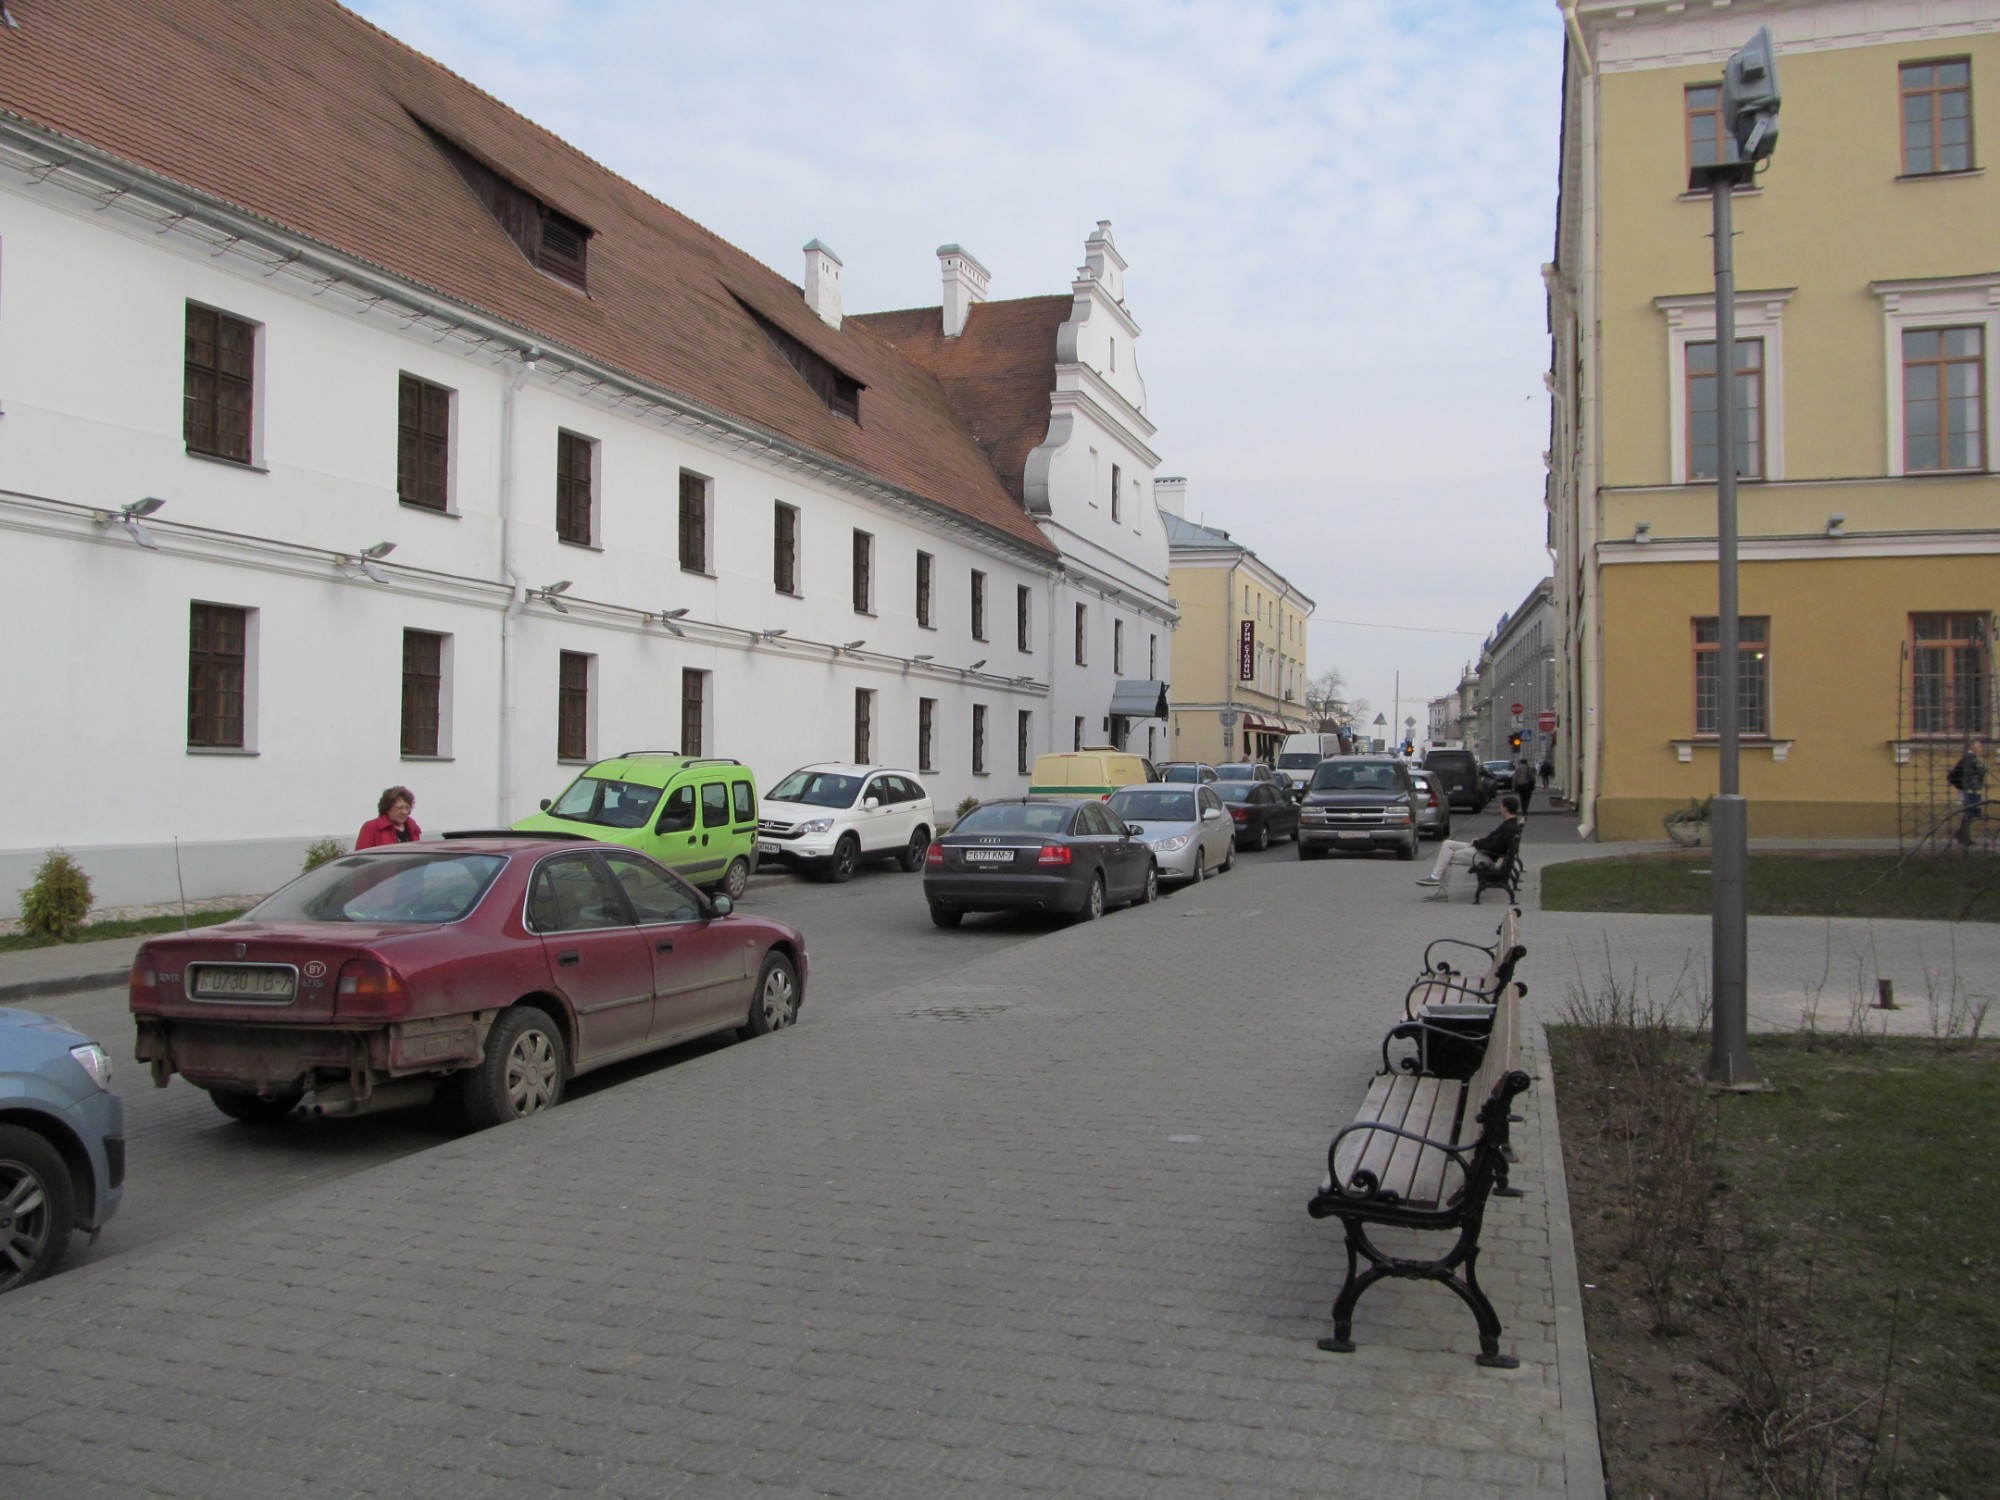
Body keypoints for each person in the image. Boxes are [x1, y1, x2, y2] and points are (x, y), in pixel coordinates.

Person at [1416, 794, 1521, 902]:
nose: (1500, 808)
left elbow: (1494, 847)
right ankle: (1435, 876)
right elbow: (1492, 841)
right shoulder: (1510, 825)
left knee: (1446, 857)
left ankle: (1441, 891)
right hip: (1482, 850)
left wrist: (1477, 843)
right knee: (1447, 843)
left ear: (1505, 808)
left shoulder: (1508, 828)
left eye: (1501, 806)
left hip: (1485, 856)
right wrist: (1478, 841)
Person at [1947, 739, 1986, 847]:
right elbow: (1973, 772)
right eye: (1978, 746)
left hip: (1970, 789)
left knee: (1971, 812)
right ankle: (1964, 836)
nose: (1980, 748)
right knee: (1970, 812)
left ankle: (1962, 834)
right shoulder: (1968, 758)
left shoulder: (1971, 758)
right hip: (1968, 789)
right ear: (1972, 747)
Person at [356, 786, 422, 849]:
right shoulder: (371, 827)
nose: (404, 812)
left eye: (407, 807)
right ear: (387, 808)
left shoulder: (413, 828)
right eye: (399, 808)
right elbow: (361, 857)